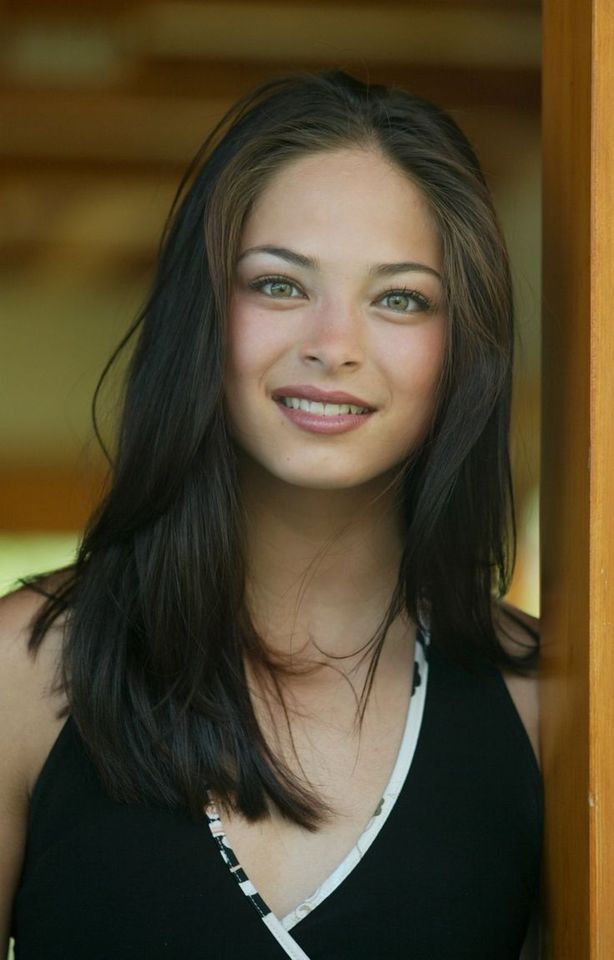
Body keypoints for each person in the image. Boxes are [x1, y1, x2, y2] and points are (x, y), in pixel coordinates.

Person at [0, 71, 541, 959]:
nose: (333, 345)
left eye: (400, 297)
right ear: (204, 312)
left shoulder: (543, 709)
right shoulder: (23, 676)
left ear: (463, 349)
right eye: (280, 285)